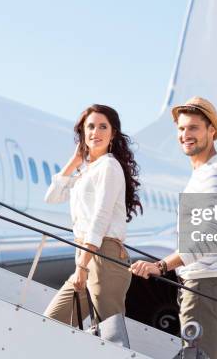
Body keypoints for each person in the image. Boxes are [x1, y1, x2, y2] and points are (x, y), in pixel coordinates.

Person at [130, 96, 217, 359]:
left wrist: (161, 266)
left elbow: (209, 237)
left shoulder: (213, 174)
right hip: (212, 284)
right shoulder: (209, 172)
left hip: (204, 285)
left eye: (193, 128)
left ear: (211, 131)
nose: (185, 135)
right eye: (181, 129)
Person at [43, 104, 142, 328]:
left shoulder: (109, 166)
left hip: (104, 256)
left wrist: (83, 266)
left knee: (109, 338)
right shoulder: (87, 170)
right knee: (51, 322)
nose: (95, 132)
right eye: (90, 127)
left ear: (113, 133)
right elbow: (52, 197)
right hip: (87, 254)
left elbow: (101, 217)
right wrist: (74, 161)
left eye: (102, 127)